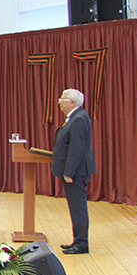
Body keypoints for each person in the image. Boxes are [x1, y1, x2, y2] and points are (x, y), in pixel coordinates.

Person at [52, 88, 95, 255]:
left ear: (72, 102)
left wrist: (69, 172)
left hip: (76, 172)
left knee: (78, 208)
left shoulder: (79, 119)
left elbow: (77, 148)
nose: (59, 102)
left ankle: (81, 243)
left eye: (62, 99)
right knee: (75, 207)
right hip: (73, 170)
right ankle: (77, 240)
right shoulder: (74, 117)